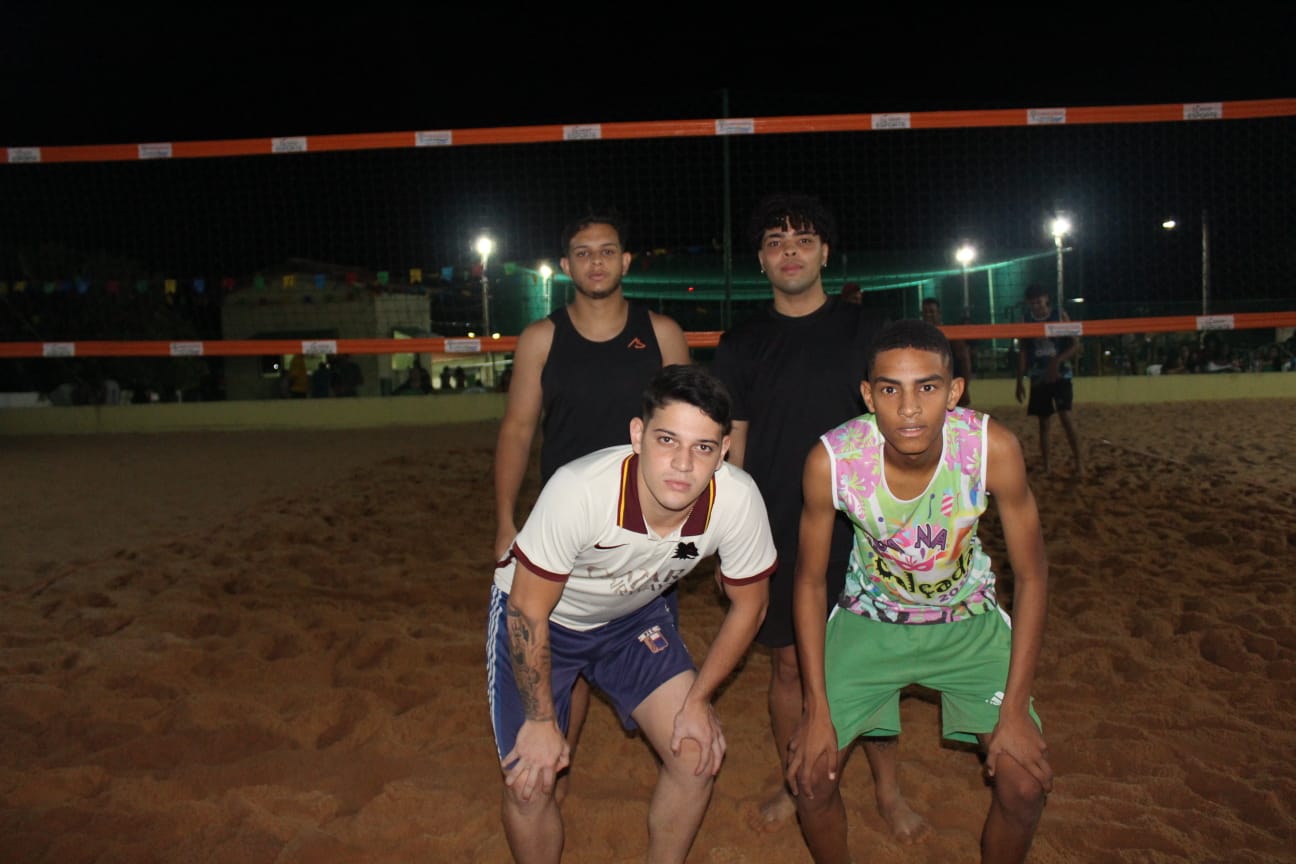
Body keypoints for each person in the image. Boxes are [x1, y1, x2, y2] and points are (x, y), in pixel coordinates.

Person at [788, 319, 1052, 864]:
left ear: (954, 392)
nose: (909, 409)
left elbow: (1032, 576)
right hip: (868, 621)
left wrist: (1014, 711)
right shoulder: (833, 460)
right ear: (868, 396)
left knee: (1025, 785)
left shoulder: (991, 448)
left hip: (969, 622)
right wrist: (815, 708)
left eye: (927, 387)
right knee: (811, 778)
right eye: (891, 390)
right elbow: (809, 581)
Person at [488, 365, 775, 864]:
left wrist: (699, 700)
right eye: (667, 440)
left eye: (703, 447)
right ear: (638, 435)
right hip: (544, 621)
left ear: (724, 451)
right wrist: (539, 720)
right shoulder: (580, 490)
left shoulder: (737, 499)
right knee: (530, 782)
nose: (682, 464)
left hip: (634, 620)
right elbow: (527, 609)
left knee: (696, 755)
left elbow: (751, 606)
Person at [710, 193, 921, 839]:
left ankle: (887, 788)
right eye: (775, 241)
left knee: (870, 665)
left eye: (803, 239)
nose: (790, 252)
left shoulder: (869, 331)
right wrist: (731, 540)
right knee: (788, 666)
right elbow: (733, 450)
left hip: (865, 527)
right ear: (761, 260)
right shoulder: (741, 343)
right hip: (776, 523)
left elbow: (904, 424)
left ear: (825, 252)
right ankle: (795, 780)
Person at [493, 210, 690, 797]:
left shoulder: (661, 332)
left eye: (607, 251)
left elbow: (692, 428)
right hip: (567, 530)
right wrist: (504, 519)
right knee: (561, 660)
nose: (596, 262)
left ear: (625, 261)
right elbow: (517, 430)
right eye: (583, 252)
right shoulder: (541, 338)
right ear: (565, 265)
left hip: (648, 530)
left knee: (646, 648)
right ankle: (558, 762)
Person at [1015, 283, 1082, 475]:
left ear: (1046, 299)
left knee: (1065, 416)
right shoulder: (1026, 320)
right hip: (1038, 376)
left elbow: (1076, 345)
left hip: (1061, 374)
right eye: (1033, 303)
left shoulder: (1059, 315)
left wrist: (1057, 362)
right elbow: (1023, 352)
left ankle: (1080, 464)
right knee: (1043, 422)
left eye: (1039, 301)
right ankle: (1047, 467)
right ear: (1029, 303)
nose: (1037, 305)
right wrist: (1019, 380)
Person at [921, 297, 972, 407]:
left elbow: (964, 362)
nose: (928, 315)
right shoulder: (920, 337)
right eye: (925, 312)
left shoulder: (952, 336)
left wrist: (965, 389)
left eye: (931, 312)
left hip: (950, 388)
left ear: (939, 314)